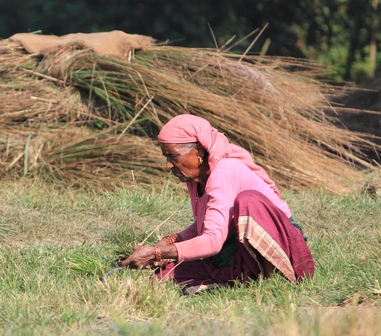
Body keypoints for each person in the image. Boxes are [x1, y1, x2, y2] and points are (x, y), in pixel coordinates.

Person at [120, 114, 314, 292]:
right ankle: (239, 281)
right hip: (240, 253)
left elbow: (212, 241)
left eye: (173, 156)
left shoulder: (223, 173)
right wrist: (171, 241)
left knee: (248, 201)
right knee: (162, 277)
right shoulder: (196, 178)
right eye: (166, 157)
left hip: (287, 253)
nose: (168, 165)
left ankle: (273, 284)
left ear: (198, 151)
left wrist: (157, 252)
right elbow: (211, 224)